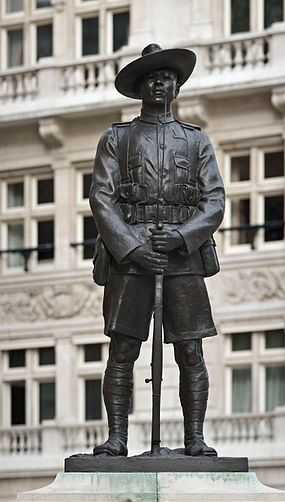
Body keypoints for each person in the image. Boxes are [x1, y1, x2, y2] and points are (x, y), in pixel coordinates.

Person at [89, 43, 225, 457]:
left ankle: (194, 439)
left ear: (177, 86)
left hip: (183, 256)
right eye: (152, 78)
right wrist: (131, 248)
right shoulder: (117, 138)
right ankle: (117, 439)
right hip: (130, 256)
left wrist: (184, 237)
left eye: (167, 77)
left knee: (190, 348)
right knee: (124, 347)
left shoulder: (196, 141)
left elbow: (214, 200)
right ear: (140, 87)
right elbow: (101, 198)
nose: (160, 84)